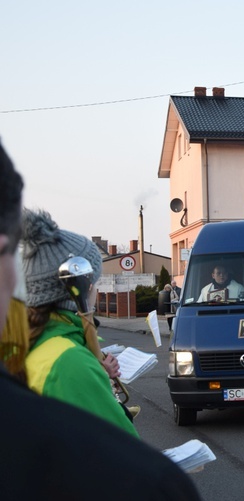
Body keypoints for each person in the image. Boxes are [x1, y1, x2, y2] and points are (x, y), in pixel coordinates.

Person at [0, 141, 202, 500]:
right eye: (92, 284)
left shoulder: (36, 343)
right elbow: (119, 458)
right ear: (80, 287)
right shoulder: (68, 360)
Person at [21, 209, 138, 437]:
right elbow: (123, 451)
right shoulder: (69, 361)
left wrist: (97, 374)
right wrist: (90, 375)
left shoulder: (29, 339)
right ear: (87, 287)